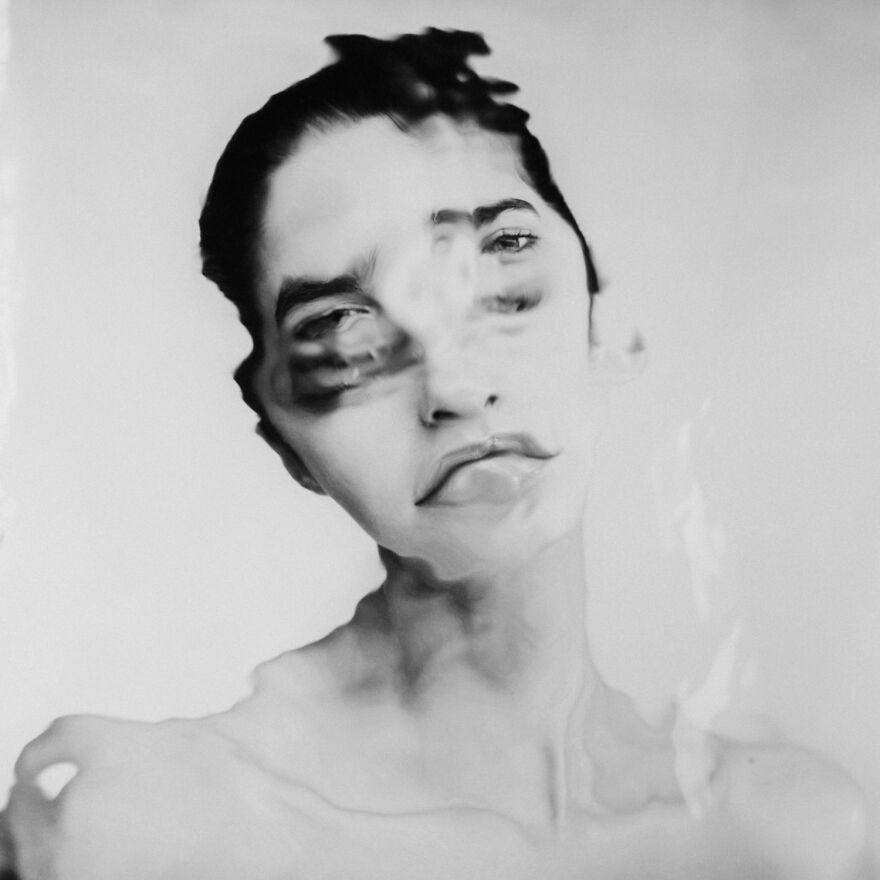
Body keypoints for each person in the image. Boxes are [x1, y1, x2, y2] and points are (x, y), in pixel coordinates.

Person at [0, 28, 870, 880]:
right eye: (341, 328)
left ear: (607, 324)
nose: (452, 384)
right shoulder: (138, 832)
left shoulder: (793, 835)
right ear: (282, 437)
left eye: (503, 259)